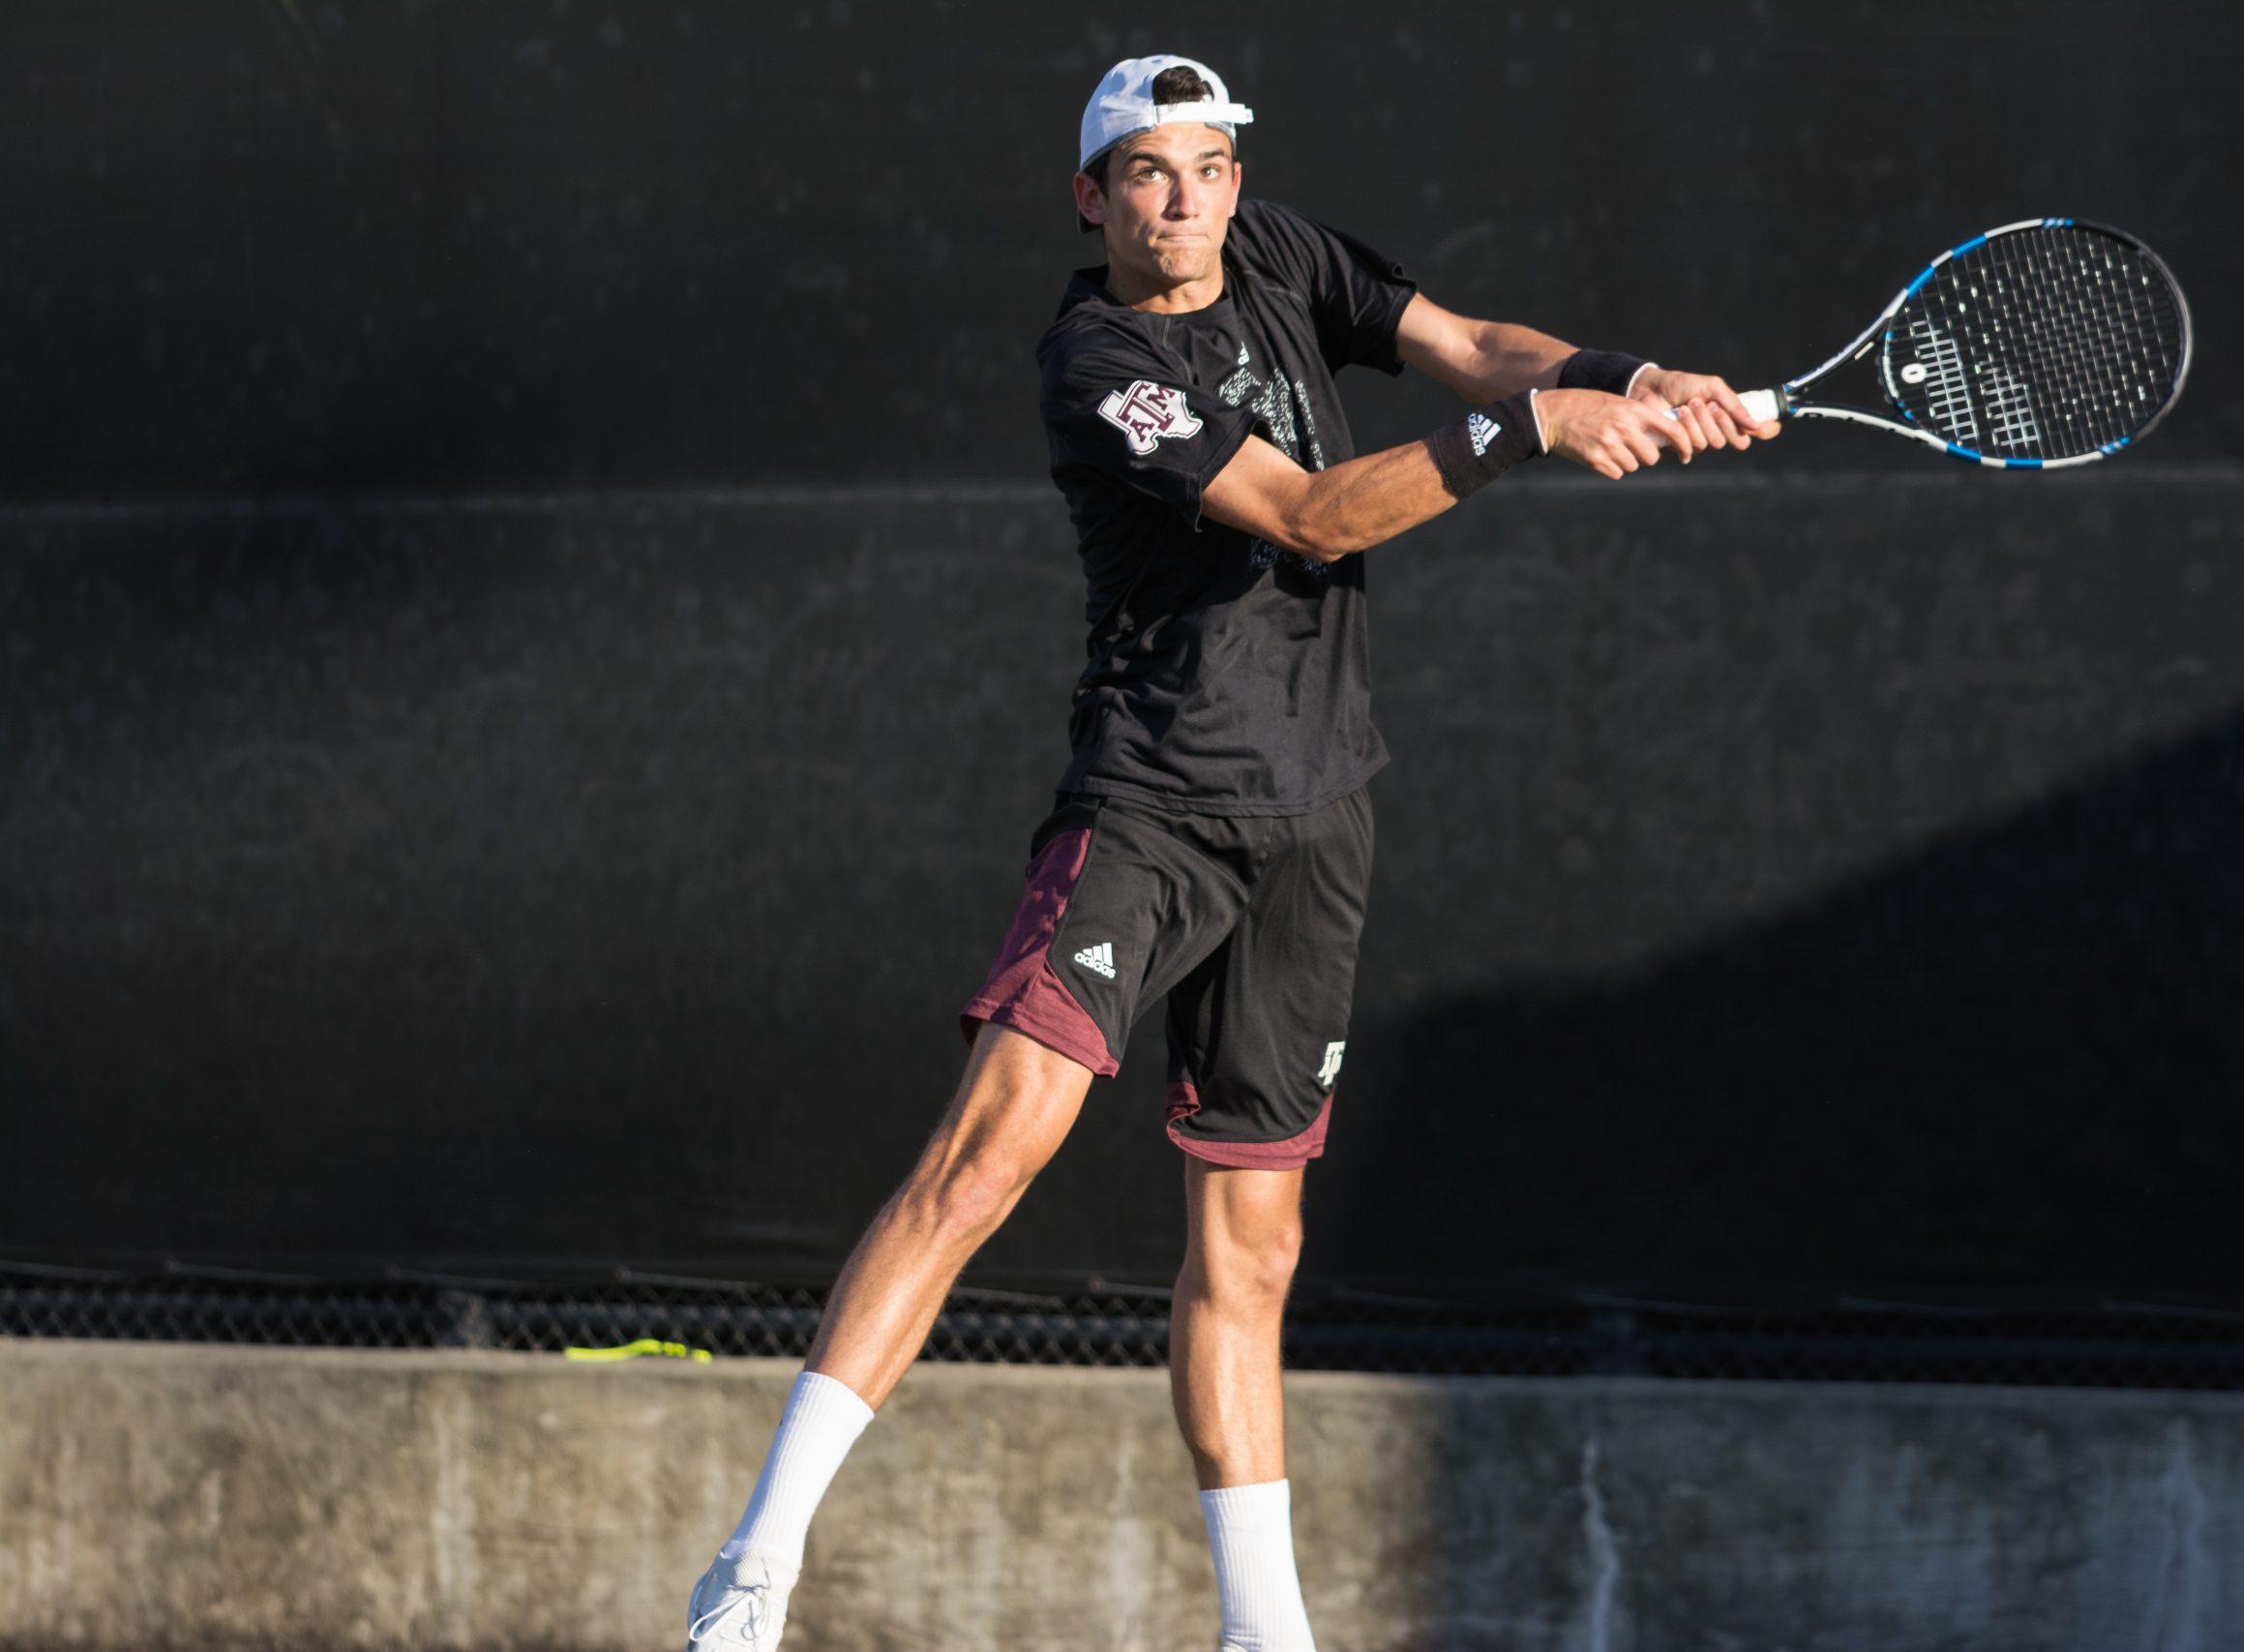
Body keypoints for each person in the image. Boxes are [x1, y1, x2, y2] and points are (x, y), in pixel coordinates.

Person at [683, 52, 1777, 1652]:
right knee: (990, 1156)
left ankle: (1268, 1637)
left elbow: (1475, 348)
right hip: (1151, 808)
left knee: (1254, 1248)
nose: (1184, 197)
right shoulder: (1097, 363)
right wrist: (1538, 430)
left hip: (1318, 818)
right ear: (1091, 197)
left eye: (1207, 167)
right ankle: (758, 1562)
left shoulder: (1280, 254)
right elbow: (1317, 514)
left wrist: (1641, 375)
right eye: (1146, 171)